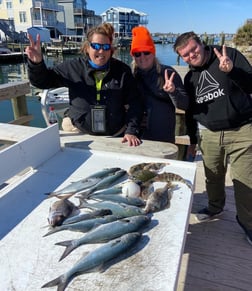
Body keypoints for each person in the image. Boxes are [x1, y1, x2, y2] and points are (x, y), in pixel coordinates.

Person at [173, 31, 252, 245]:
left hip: (242, 131)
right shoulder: (190, 78)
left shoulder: (229, 56)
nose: (191, 56)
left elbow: (251, 84)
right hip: (209, 134)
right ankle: (215, 207)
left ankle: (248, 224)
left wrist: (232, 71)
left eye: (193, 49)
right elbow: (189, 111)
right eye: (186, 55)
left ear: (202, 44)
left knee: (245, 182)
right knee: (213, 177)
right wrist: (191, 139)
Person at [25, 23, 143, 147]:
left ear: (111, 49)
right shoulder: (72, 67)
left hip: (116, 134)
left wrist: (131, 131)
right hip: (77, 131)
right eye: (96, 46)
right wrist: (37, 64)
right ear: (87, 47)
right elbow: (43, 81)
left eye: (106, 47)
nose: (101, 51)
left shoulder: (122, 71)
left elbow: (135, 103)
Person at [130, 26, 189, 144]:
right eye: (137, 54)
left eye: (146, 52)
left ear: (153, 53)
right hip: (137, 139)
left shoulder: (168, 73)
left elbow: (185, 105)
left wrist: (173, 92)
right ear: (133, 56)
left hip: (163, 139)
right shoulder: (131, 76)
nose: (142, 57)